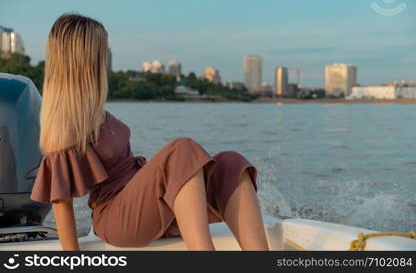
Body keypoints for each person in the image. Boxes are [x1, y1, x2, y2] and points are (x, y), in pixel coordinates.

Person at [30, 13, 269, 251]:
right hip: (118, 218)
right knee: (182, 149)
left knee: (231, 164)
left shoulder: (92, 110)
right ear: (84, 58)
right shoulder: (63, 123)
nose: (104, 58)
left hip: (149, 208)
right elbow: (61, 202)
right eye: (100, 51)